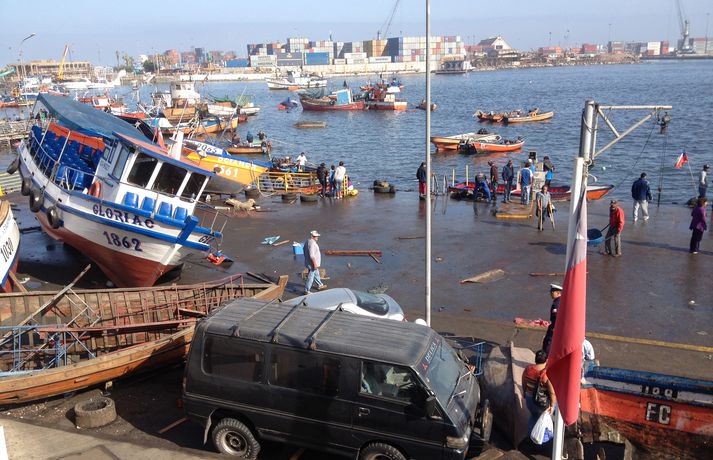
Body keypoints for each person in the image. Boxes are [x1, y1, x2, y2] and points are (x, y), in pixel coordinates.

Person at [522, 350, 556, 429]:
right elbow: (552, 393)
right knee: (541, 420)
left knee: (534, 416)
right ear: (546, 360)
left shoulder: (528, 369)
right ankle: (540, 435)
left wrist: (524, 393)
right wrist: (552, 405)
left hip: (529, 399)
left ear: (535, 359)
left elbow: (524, 381)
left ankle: (530, 433)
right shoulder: (546, 375)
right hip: (540, 402)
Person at [303, 230, 327, 294]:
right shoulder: (312, 244)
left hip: (309, 262)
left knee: (316, 273)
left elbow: (303, 250)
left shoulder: (308, 241)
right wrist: (315, 264)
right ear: (313, 236)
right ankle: (307, 290)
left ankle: (320, 284)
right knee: (311, 277)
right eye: (316, 236)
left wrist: (306, 258)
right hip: (312, 263)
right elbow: (312, 255)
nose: (317, 237)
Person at [541, 284, 562, 354]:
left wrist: (555, 327)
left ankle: (546, 358)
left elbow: (556, 317)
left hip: (554, 327)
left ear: (558, 293)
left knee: (548, 344)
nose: (551, 293)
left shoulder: (556, 304)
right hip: (557, 327)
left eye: (552, 292)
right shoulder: (560, 301)